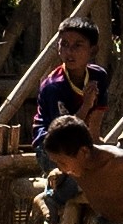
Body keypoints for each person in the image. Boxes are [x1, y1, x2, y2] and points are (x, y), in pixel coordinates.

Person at [27, 19, 112, 150]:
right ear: (58, 48)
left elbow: (94, 128)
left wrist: (97, 146)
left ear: (93, 51)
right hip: (51, 144)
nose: (69, 51)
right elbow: (64, 132)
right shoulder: (53, 86)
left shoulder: (98, 76)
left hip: (80, 142)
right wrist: (86, 105)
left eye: (77, 45)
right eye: (65, 44)